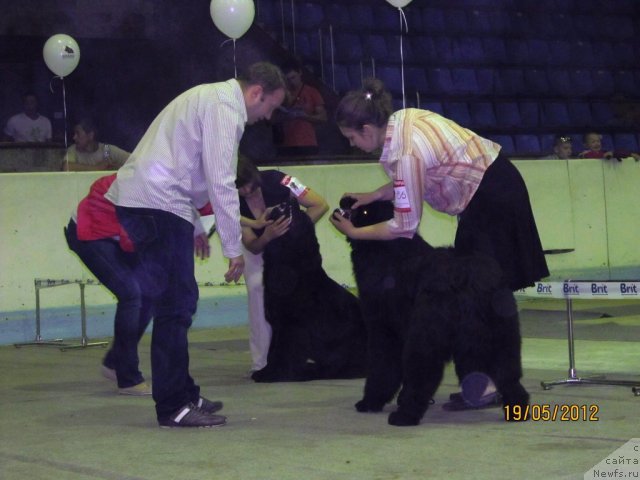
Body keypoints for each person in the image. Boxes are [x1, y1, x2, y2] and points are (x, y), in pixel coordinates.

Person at [329, 78, 549, 410]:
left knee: (480, 300)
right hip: (490, 190)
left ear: (367, 129)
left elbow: (404, 226)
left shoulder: (405, 152)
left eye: (351, 138)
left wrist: (354, 232)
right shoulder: (402, 121)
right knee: (470, 300)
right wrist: (375, 195)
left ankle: (494, 388)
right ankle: (484, 387)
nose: (353, 145)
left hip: (492, 198)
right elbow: (414, 179)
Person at [104, 61, 286, 428]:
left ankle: (184, 392)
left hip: (154, 202)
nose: (269, 116)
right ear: (256, 93)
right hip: (155, 203)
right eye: (271, 106)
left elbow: (182, 167)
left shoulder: (210, 97)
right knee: (175, 305)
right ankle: (174, 405)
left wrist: (193, 224)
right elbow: (221, 180)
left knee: (178, 301)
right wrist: (233, 247)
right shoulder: (225, 108)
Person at [65, 173, 212, 397]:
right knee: (132, 294)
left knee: (149, 292)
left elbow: (188, 206)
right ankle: (128, 378)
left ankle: (115, 362)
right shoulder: (147, 189)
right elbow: (134, 239)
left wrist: (199, 231)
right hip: (90, 231)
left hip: (119, 229)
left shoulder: (178, 183)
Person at [235, 155, 329, 374]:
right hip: (259, 249)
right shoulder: (230, 201)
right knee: (258, 287)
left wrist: (294, 228)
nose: (247, 191)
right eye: (240, 188)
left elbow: (320, 204)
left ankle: (308, 351)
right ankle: (262, 361)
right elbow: (253, 246)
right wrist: (268, 236)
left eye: (250, 184)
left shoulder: (283, 179)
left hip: (288, 247)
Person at [274, 59, 327, 156]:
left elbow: (323, 118)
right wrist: (287, 116)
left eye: (293, 77)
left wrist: (303, 116)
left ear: (300, 73)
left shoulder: (312, 92)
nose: (291, 82)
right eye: (288, 79)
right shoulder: (281, 94)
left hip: (308, 142)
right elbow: (272, 119)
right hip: (286, 144)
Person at [63, 118, 129, 171]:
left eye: (78, 133)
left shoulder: (106, 149)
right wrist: (97, 168)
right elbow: (66, 167)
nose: (74, 137)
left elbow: (134, 161)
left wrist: (119, 168)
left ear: (90, 135)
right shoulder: (73, 149)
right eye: (74, 134)